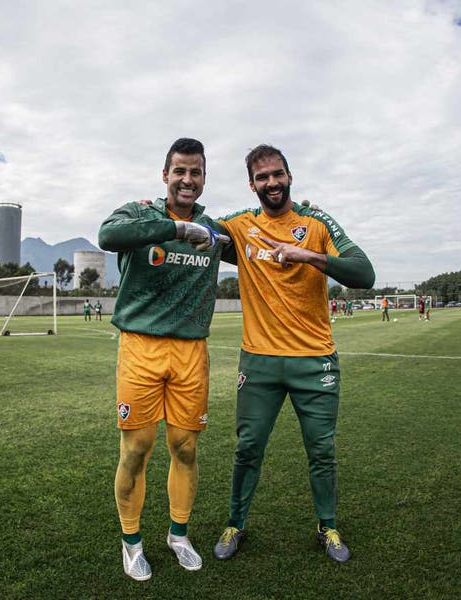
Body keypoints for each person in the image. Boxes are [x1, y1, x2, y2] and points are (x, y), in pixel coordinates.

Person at [212, 144, 375, 564]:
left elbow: (364, 272)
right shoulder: (238, 226)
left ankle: (328, 526)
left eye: (277, 174)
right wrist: (154, 207)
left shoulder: (316, 221)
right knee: (248, 448)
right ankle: (235, 523)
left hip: (314, 360)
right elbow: (193, 225)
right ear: (251, 184)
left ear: (289, 176)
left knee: (322, 451)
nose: (272, 183)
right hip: (259, 361)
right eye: (262, 177)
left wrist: (310, 256)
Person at [98, 138, 234, 581]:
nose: (187, 180)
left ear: (204, 177)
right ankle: (131, 542)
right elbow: (107, 236)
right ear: (165, 175)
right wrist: (174, 231)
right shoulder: (140, 213)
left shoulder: (215, 230)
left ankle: (179, 535)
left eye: (195, 172)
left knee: (186, 447)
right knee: (137, 447)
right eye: (180, 171)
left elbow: (251, 243)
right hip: (141, 346)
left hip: (192, 350)